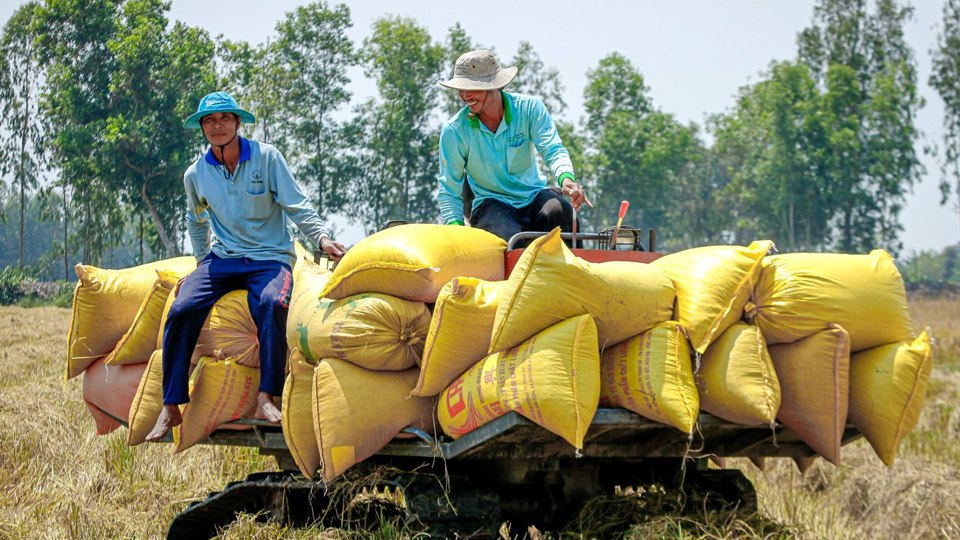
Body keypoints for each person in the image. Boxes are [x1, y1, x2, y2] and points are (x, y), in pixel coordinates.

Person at [146, 91, 346, 442]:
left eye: (225, 118)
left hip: (270, 259)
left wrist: (322, 239)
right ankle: (171, 405)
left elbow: (296, 205)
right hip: (222, 259)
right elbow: (196, 221)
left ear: (238, 123)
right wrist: (199, 261)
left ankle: (267, 398)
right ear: (202, 128)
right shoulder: (196, 174)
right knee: (181, 309)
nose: (217, 126)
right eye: (209, 120)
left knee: (272, 304)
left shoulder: (267, 159)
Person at [436, 50, 592, 243]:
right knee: (508, 237)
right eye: (461, 88)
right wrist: (455, 230)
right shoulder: (455, 131)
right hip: (491, 203)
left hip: (534, 195)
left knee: (559, 211)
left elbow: (553, 149)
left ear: (494, 86)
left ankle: (570, 271)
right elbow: (449, 190)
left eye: (472, 88)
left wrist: (566, 179)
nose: (464, 95)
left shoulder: (529, 109)